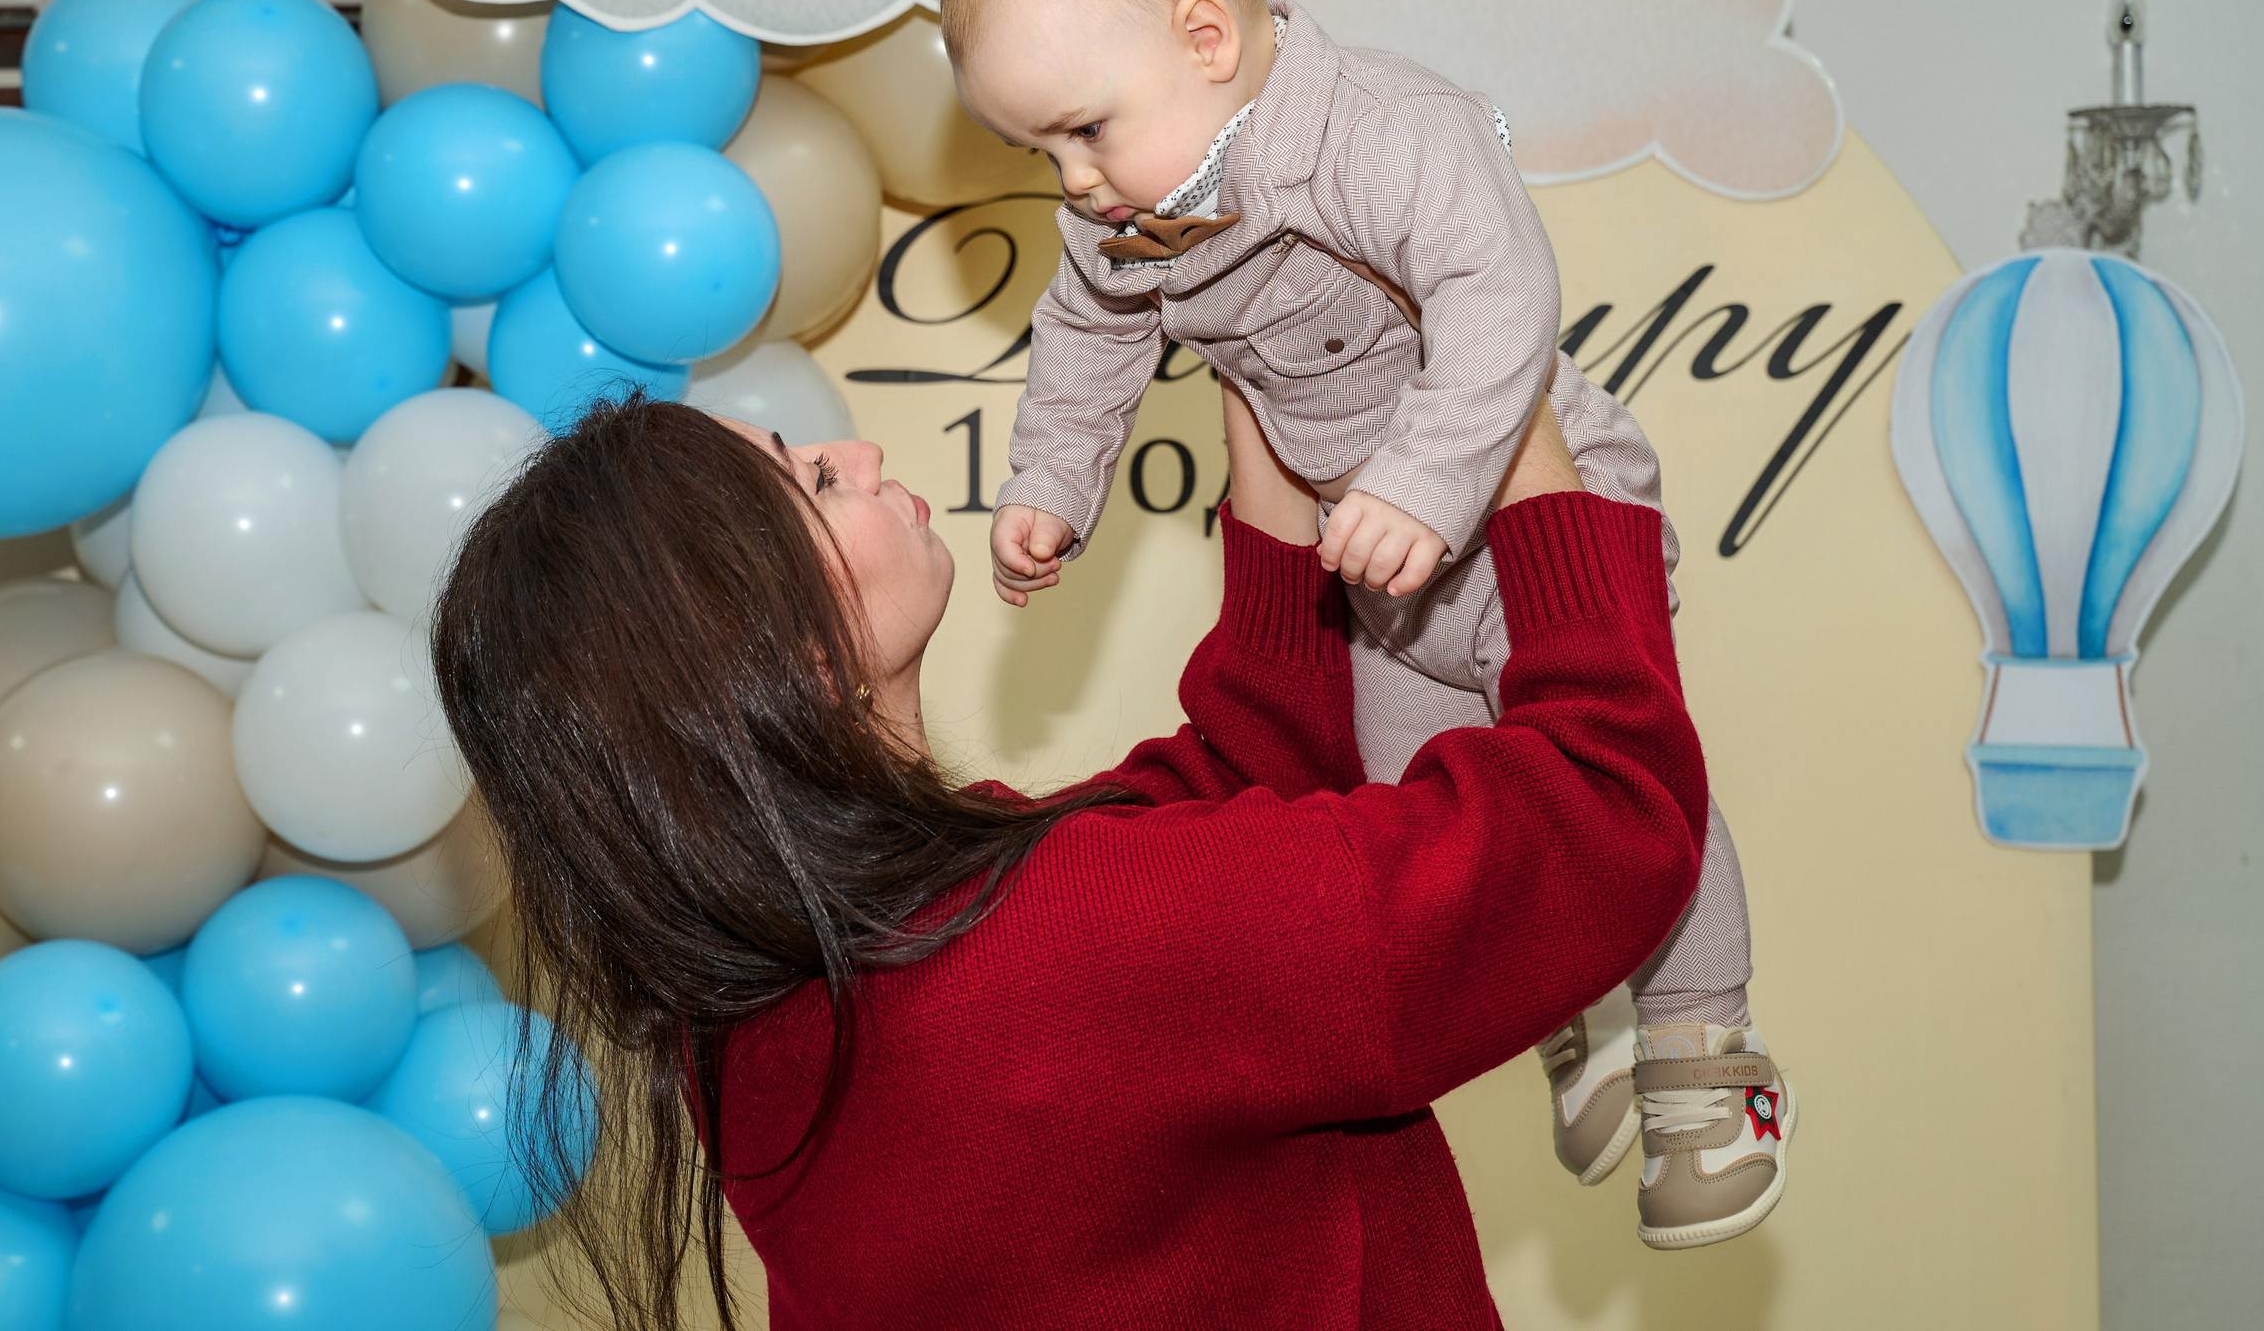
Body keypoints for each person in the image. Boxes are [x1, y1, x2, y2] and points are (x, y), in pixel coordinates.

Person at [432, 383, 1709, 1330]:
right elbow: (1607, 811)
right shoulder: (1058, 945)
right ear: (783, 655)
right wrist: (1513, 410)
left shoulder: (756, 1026)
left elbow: (1227, 786)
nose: (858, 448)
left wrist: (1259, 393)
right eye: (812, 481)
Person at [941, 0, 1789, 1245]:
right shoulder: (1127, 214)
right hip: (1373, 562)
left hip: (1522, 501)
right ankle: (1563, 1000)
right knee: (1428, 801)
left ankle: (1707, 1055)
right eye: (1039, 150)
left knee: (1629, 776)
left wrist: (1427, 479)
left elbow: (1500, 291)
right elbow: (1085, 341)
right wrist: (1052, 487)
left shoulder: (1387, 130)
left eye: (1084, 128)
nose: (1074, 181)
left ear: (1208, 36)